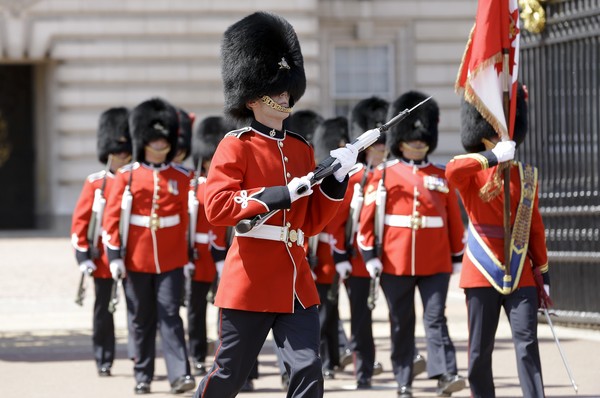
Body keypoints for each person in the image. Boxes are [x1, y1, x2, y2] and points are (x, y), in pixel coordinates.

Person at [194, 11, 358, 398]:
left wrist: (336, 181)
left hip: (296, 280)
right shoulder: (236, 144)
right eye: (276, 89)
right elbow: (217, 206)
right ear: (253, 97)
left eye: (287, 88)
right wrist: (280, 194)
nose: (285, 95)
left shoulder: (301, 148)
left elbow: (312, 220)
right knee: (229, 375)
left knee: (308, 369)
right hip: (250, 279)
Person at [358, 91, 466, 398]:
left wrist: (456, 254)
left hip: (436, 261)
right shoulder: (384, 174)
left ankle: (446, 373)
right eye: (412, 139)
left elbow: (453, 219)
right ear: (401, 141)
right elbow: (367, 220)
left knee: (436, 318)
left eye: (422, 139)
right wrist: (369, 255)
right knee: (401, 322)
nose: (418, 144)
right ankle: (403, 378)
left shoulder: (441, 176)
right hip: (395, 260)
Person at [445, 84, 550, 398]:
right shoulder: (474, 170)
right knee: (479, 350)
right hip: (482, 267)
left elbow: (534, 229)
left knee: (528, 343)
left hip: (521, 271)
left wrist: (543, 275)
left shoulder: (526, 175)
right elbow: (451, 171)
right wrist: (491, 157)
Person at [103, 97, 195, 395]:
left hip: (171, 259)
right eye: (153, 138)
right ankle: (142, 375)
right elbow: (112, 220)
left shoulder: (182, 177)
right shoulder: (127, 177)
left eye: (162, 138)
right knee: (141, 318)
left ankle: (180, 375)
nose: (159, 143)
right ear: (143, 140)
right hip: (136, 259)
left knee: (170, 315)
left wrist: (190, 254)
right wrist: (115, 256)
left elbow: (189, 219)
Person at [328, 96, 389, 389]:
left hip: (393, 257)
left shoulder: (392, 173)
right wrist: (340, 257)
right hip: (358, 261)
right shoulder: (355, 178)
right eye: (377, 144)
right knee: (361, 320)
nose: (381, 148)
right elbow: (340, 220)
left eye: (383, 144)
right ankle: (363, 371)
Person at [70, 107, 134, 376]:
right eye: (117, 150)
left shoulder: (136, 179)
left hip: (133, 257)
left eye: (126, 150)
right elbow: (81, 223)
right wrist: (83, 257)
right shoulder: (96, 183)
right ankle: (104, 358)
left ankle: (138, 358)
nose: (122, 155)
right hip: (103, 261)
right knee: (103, 313)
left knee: (137, 312)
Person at [184, 115, 231, 377]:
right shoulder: (192, 186)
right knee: (195, 309)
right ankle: (197, 353)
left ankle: (222, 355)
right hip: (199, 256)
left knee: (225, 310)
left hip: (223, 255)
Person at [310, 116, 351, 381]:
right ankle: (323, 360)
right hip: (318, 258)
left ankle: (333, 358)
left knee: (332, 311)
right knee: (321, 315)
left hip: (332, 257)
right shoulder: (317, 179)